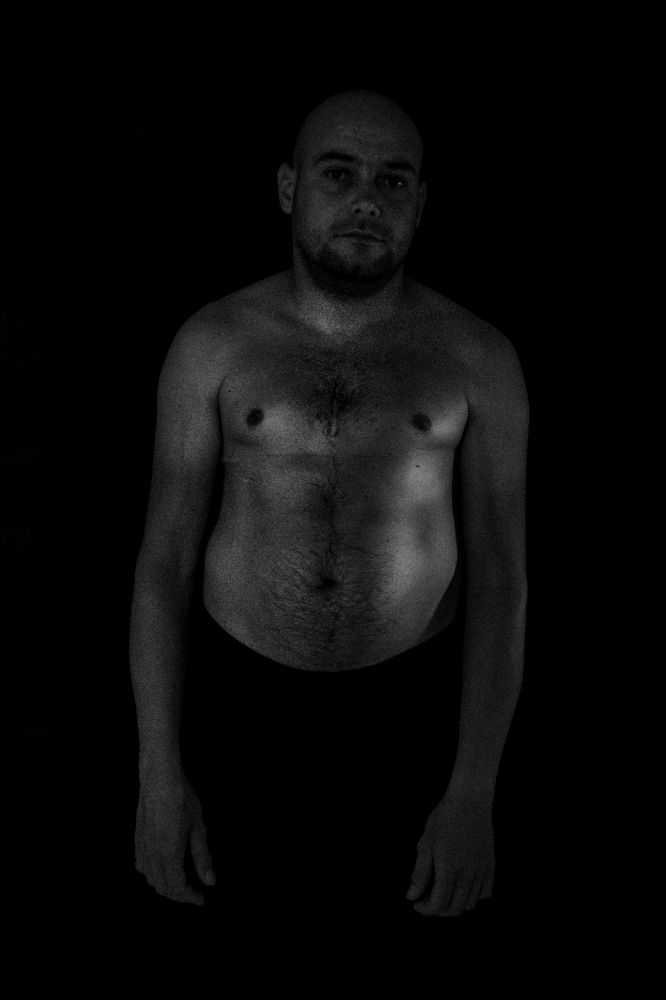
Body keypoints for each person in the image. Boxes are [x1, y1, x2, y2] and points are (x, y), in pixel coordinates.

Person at [130, 88, 529, 933]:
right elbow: (163, 563)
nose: (366, 200)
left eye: (393, 181)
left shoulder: (478, 357)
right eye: (339, 174)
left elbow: (503, 579)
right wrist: (158, 774)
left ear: (421, 202)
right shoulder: (212, 343)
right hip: (239, 713)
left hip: (411, 720)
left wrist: (473, 790)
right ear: (289, 188)